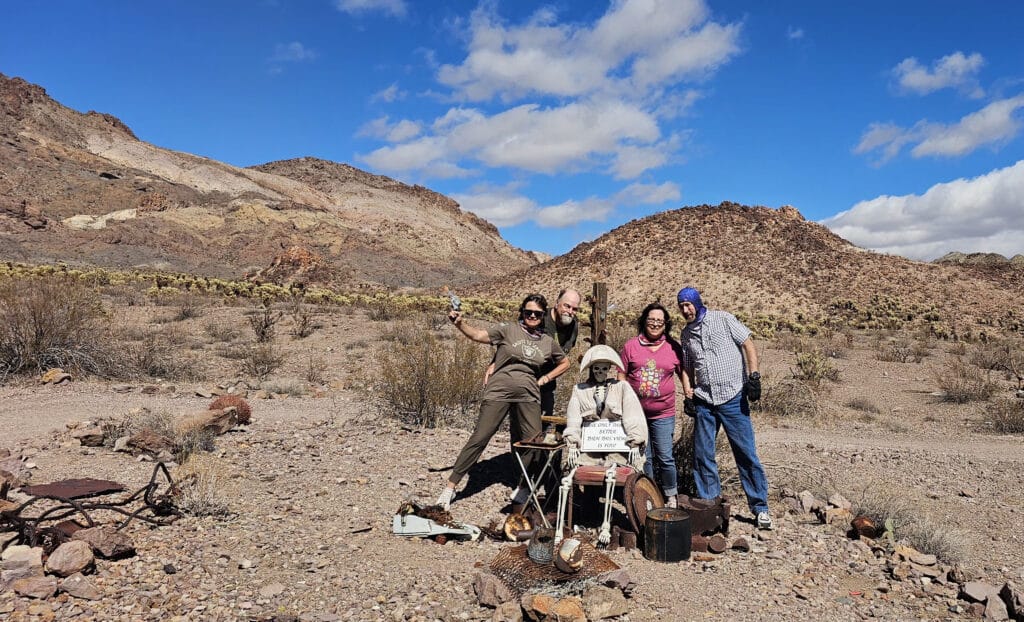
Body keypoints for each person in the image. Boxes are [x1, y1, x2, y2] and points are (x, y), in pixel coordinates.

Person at [437, 294, 571, 510]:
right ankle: (450, 487)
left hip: (529, 394)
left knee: (532, 441)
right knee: (481, 436)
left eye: (537, 313)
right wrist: (460, 323)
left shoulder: (547, 342)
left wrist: (546, 378)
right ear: (522, 312)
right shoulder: (508, 330)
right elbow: (478, 335)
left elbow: (565, 362)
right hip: (499, 390)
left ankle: (524, 485)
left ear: (543, 316)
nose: (532, 316)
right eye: (528, 312)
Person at [676, 286, 773, 530]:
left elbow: (747, 343)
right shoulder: (686, 335)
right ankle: (711, 505)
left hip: (733, 397)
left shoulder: (723, 318)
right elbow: (687, 366)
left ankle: (760, 507)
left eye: (688, 304)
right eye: (681, 306)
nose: (686, 310)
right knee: (702, 453)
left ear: (697, 302)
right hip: (705, 401)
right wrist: (688, 392)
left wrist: (754, 376)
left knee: (745, 452)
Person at [556, 345, 647, 544]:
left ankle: (621, 519)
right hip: (590, 448)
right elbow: (573, 418)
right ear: (591, 369)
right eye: (596, 369)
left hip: (617, 447)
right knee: (574, 474)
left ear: (610, 369)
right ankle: (583, 518)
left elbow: (633, 415)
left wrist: (635, 441)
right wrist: (572, 442)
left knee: (619, 474)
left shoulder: (621, 388)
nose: (600, 373)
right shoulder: (580, 390)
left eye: (604, 369)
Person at [619, 303, 691, 509]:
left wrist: (688, 390)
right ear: (644, 320)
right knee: (644, 457)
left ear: (665, 324)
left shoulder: (672, 347)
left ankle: (670, 495)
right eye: (651, 320)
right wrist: (623, 396)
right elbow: (621, 373)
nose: (655, 324)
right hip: (636, 414)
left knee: (665, 456)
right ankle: (647, 493)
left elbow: (682, 370)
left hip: (663, 413)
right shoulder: (631, 346)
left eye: (660, 321)